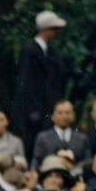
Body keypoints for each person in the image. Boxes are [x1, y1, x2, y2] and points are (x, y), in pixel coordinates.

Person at [12, 11, 68, 140]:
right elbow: (25, 82)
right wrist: (32, 111)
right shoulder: (29, 50)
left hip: (48, 109)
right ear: (46, 29)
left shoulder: (51, 52)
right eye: (54, 29)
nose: (57, 32)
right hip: (34, 112)